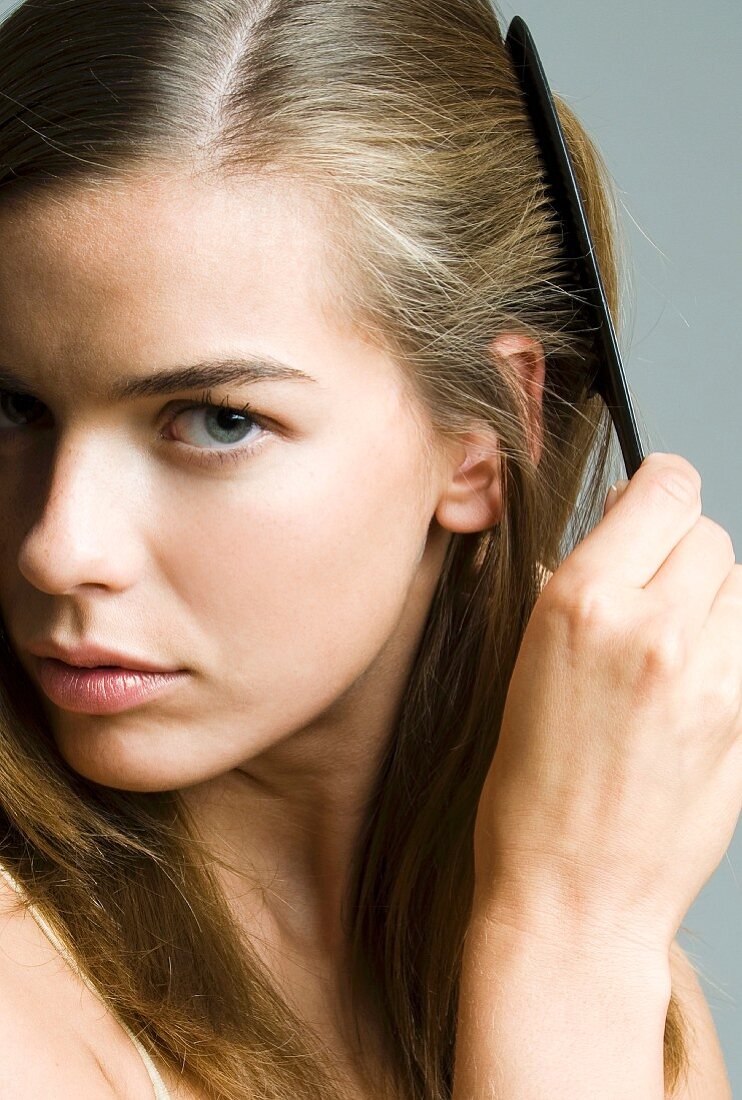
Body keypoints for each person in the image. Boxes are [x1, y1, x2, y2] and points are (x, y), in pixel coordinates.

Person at [0, 1, 737, 1098]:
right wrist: (563, 937)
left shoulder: (617, 970)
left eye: (215, 419)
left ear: (484, 444)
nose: (57, 548)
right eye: (11, 407)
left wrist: (569, 937)